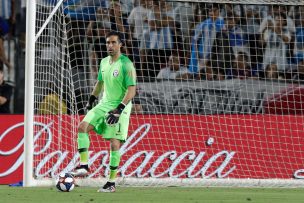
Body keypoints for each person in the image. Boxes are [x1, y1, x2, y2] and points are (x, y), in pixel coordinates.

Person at [71, 31, 137, 193]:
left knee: (114, 143)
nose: (110, 45)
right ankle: (84, 166)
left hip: (121, 105)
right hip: (104, 103)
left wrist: (119, 109)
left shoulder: (126, 64)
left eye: (114, 42)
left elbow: (132, 90)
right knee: (82, 127)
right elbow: (100, 83)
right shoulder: (103, 62)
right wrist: (92, 98)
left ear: (120, 44)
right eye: (108, 42)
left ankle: (111, 182)